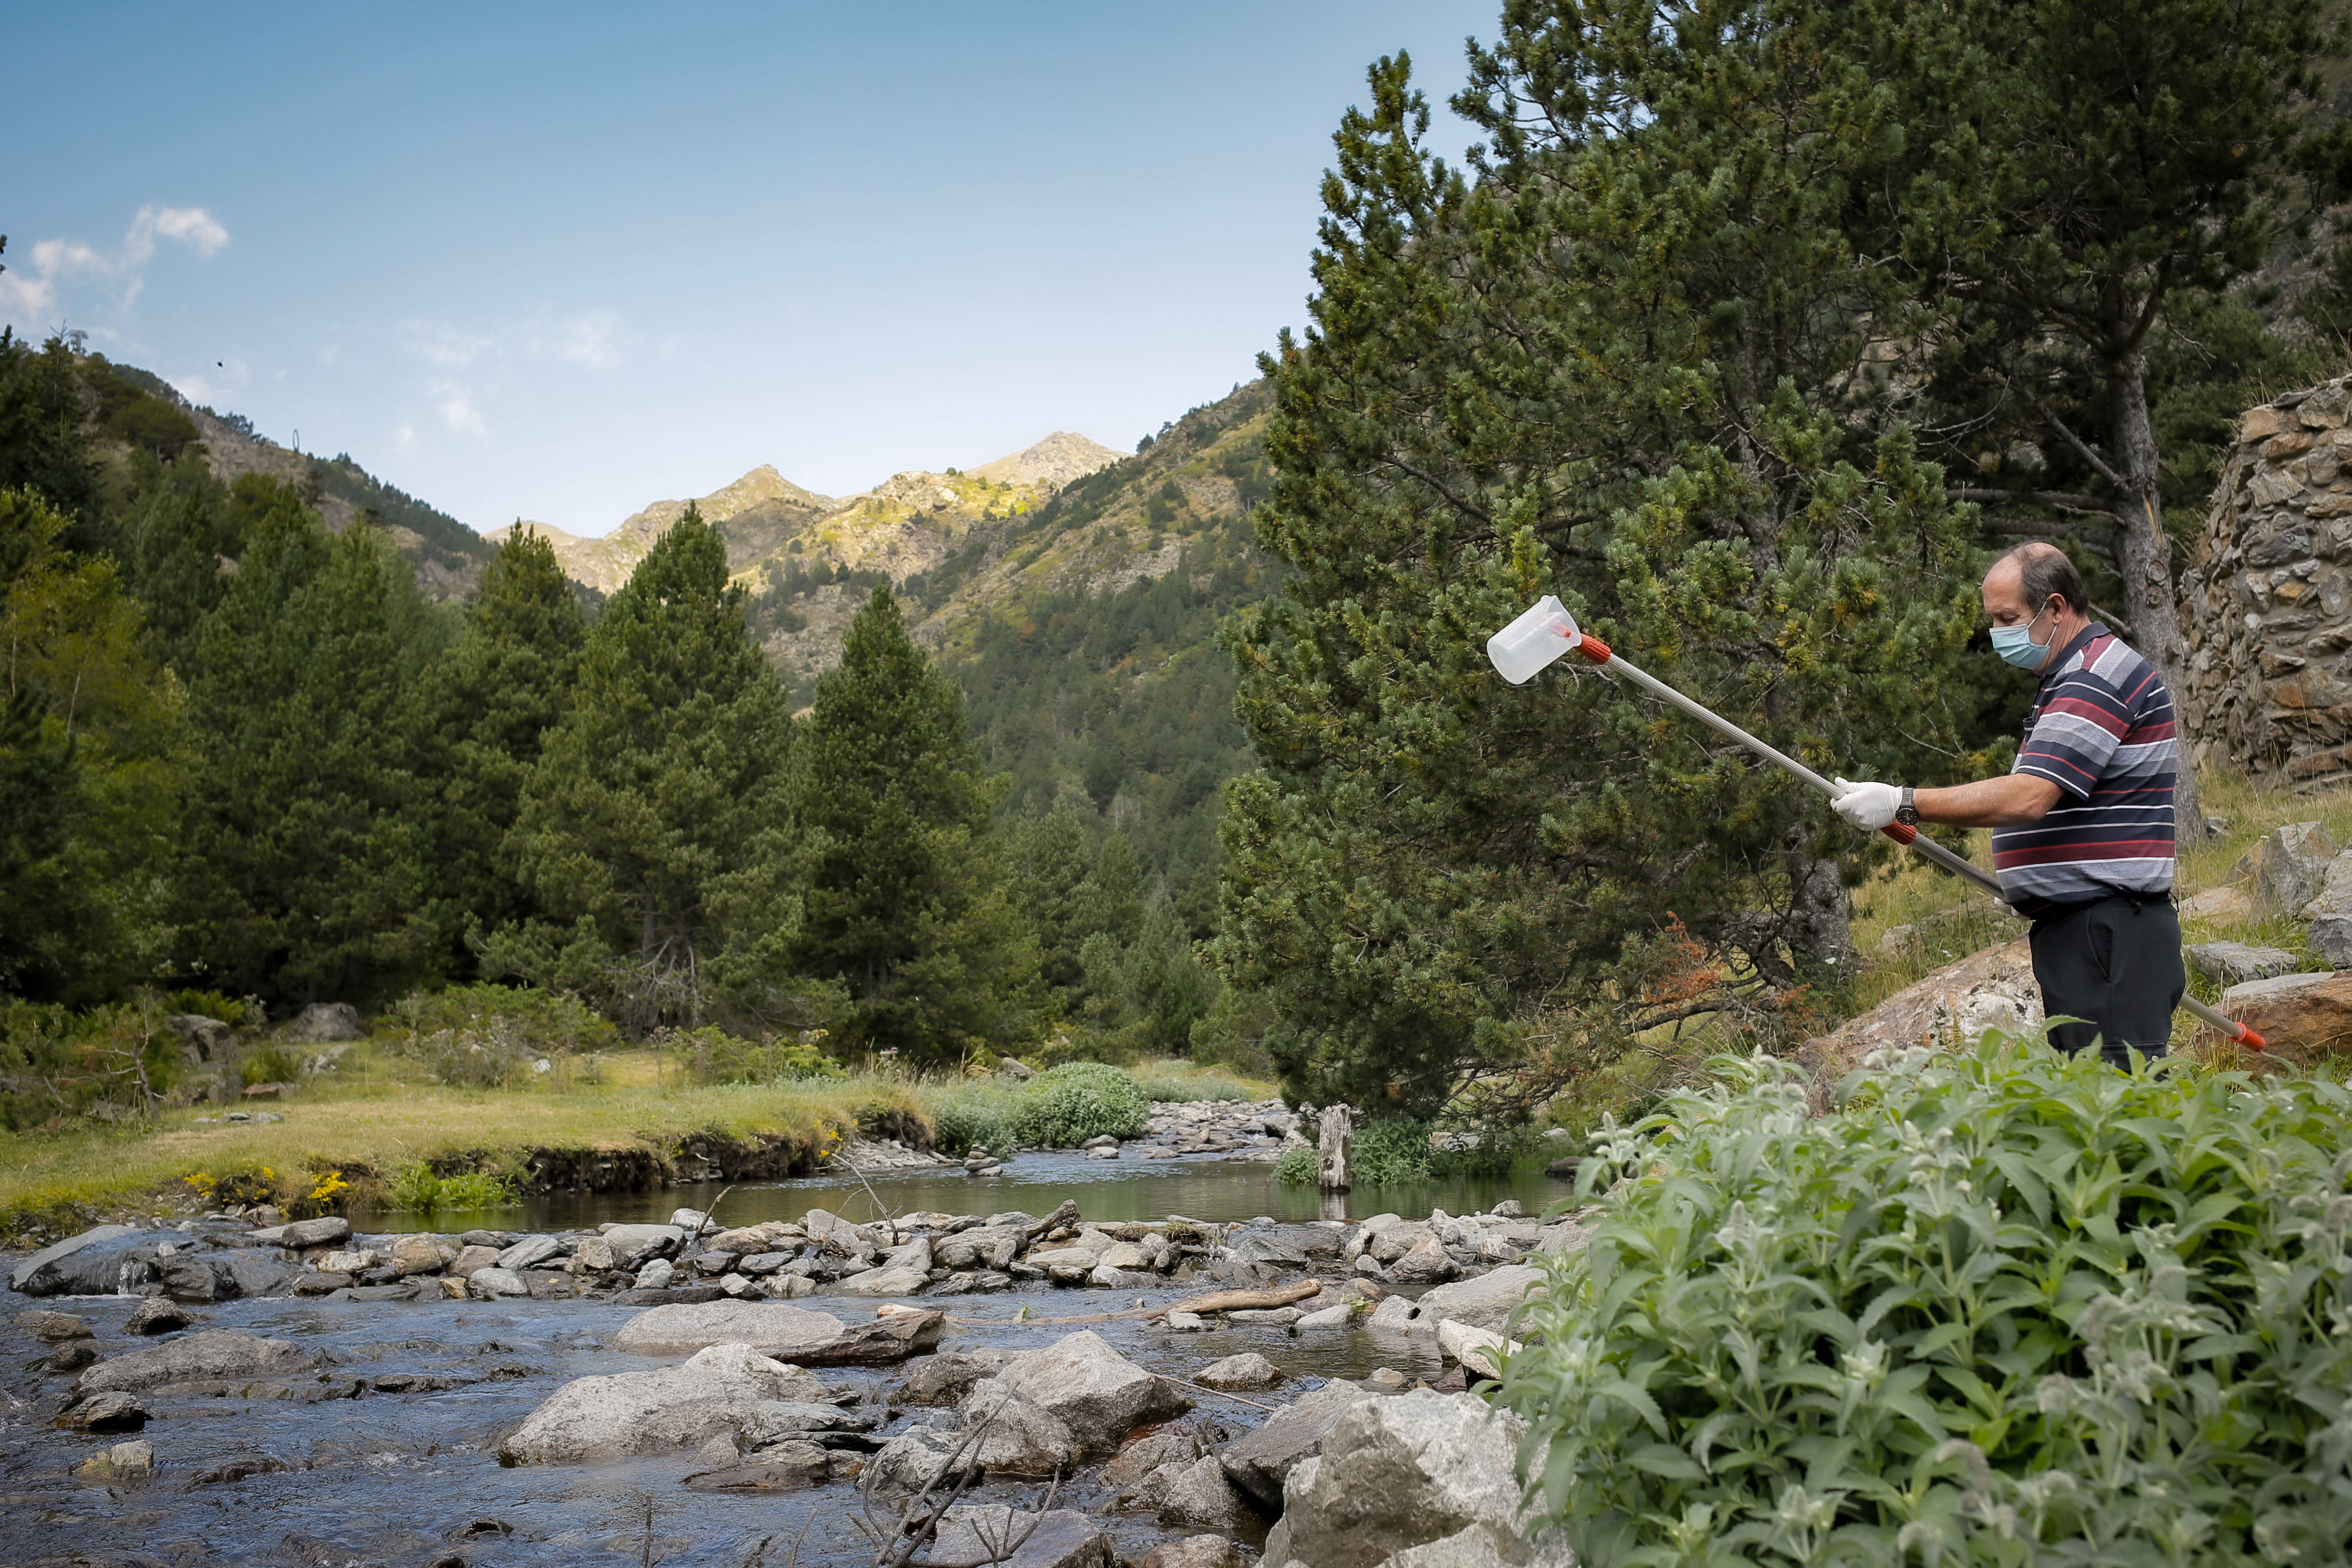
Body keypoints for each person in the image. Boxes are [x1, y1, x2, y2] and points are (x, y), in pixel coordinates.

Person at [1829, 541, 2184, 1066]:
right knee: (2089, 1097)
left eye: (2008, 618)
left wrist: (1904, 801)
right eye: (1993, 618)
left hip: (2109, 934)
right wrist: (2038, 881)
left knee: (2118, 1098)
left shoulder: (2092, 676)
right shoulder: (2068, 677)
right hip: (2088, 933)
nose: (1997, 633)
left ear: (2056, 607)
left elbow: (2031, 795)